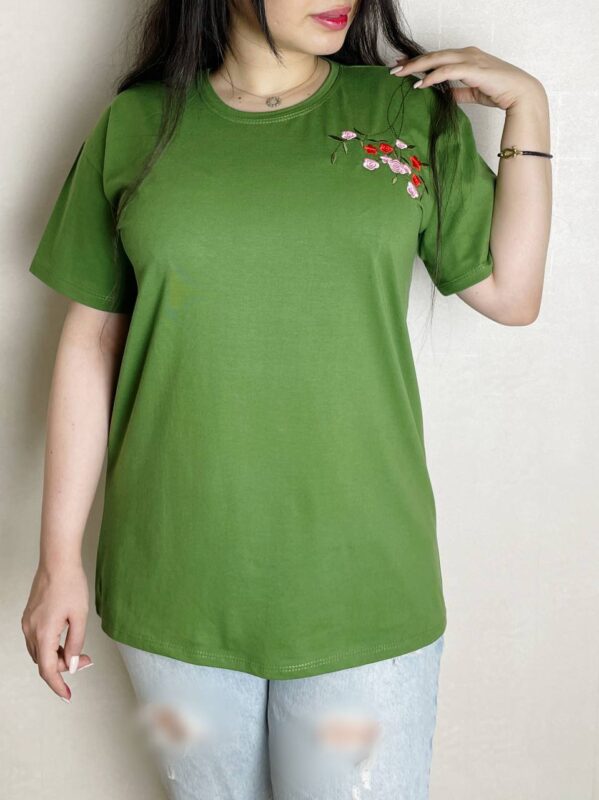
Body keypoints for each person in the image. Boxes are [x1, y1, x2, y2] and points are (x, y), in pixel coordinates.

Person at [21, 0, 552, 797]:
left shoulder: (403, 112)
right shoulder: (136, 125)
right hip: (173, 581)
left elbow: (511, 293)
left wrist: (528, 107)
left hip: (362, 582)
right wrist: (58, 560)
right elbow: (89, 342)